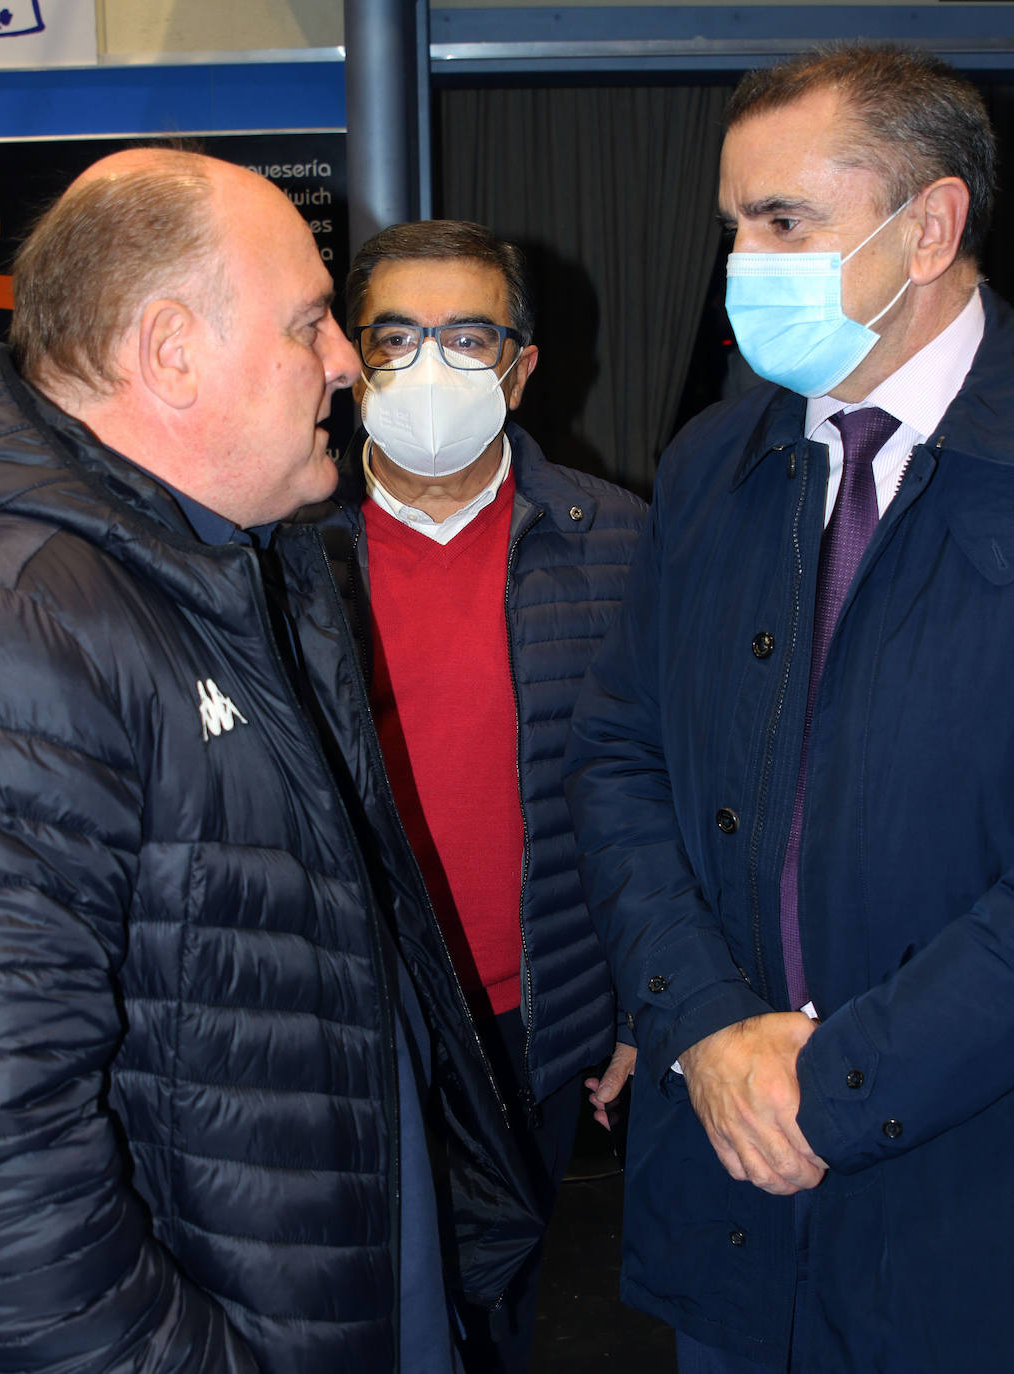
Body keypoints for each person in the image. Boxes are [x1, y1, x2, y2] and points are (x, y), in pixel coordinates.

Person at [0, 149, 542, 1374]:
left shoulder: (232, 564)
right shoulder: (8, 623)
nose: (345, 362)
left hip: (330, 1283)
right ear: (171, 352)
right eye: (310, 321)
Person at [566, 44, 1014, 1374]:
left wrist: (833, 1086)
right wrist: (699, 1021)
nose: (742, 263)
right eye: (732, 226)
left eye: (781, 223)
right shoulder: (715, 456)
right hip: (727, 1189)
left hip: (958, 1196)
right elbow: (617, 754)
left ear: (928, 224)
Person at [304, 219, 647, 1371]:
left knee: (493, 1299)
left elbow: (661, 797)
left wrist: (638, 1007)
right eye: (396, 336)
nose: (431, 366)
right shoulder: (276, 550)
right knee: (335, 1306)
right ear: (349, 358)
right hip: (338, 1019)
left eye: (468, 335)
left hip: (528, 1023)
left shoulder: (618, 547)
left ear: (522, 364)